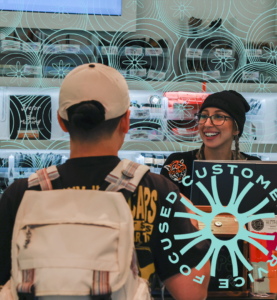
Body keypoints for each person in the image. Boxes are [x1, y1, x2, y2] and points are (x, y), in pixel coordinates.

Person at [0, 63, 210, 300]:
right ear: (126, 121)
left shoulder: (21, 193)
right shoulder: (157, 190)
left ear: (61, 121)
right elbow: (193, 291)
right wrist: (196, 226)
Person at [161, 90, 261, 199]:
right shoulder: (179, 163)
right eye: (204, 116)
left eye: (218, 116)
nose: (207, 124)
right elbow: (162, 208)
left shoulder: (254, 168)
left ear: (236, 129)